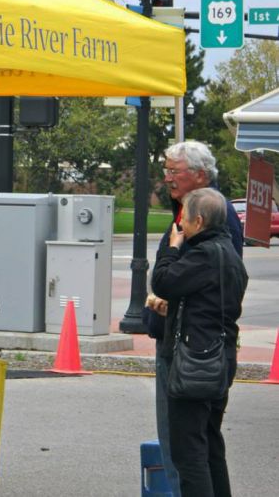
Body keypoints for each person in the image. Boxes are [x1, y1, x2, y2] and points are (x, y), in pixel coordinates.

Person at [144, 141, 243, 496]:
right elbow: (214, 293)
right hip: (212, 351)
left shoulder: (208, 237)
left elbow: (168, 281)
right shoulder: (217, 244)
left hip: (193, 355)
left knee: (188, 452)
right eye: (166, 170)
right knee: (208, 446)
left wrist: (172, 249)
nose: (168, 178)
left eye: (175, 171)